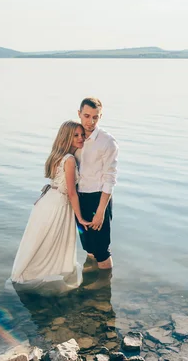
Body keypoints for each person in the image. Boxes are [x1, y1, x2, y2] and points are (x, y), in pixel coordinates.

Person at [10, 120, 90, 295]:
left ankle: (29, 272)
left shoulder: (57, 156)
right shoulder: (69, 160)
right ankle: (43, 274)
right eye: (76, 135)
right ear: (67, 137)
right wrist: (80, 217)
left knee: (42, 241)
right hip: (59, 205)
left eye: (82, 135)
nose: (81, 138)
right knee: (52, 242)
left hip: (47, 201)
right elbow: (71, 193)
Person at [75, 97, 119, 290]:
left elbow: (110, 178)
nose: (90, 122)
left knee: (102, 250)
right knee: (88, 246)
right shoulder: (74, 136)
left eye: (95, 117)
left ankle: (104, 285)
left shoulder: (107, 142)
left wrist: (101, 210)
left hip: (98, 199)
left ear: (100, 117)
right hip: (79, 198)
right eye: (86, 116)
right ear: (79, 114)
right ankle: (90, 276)